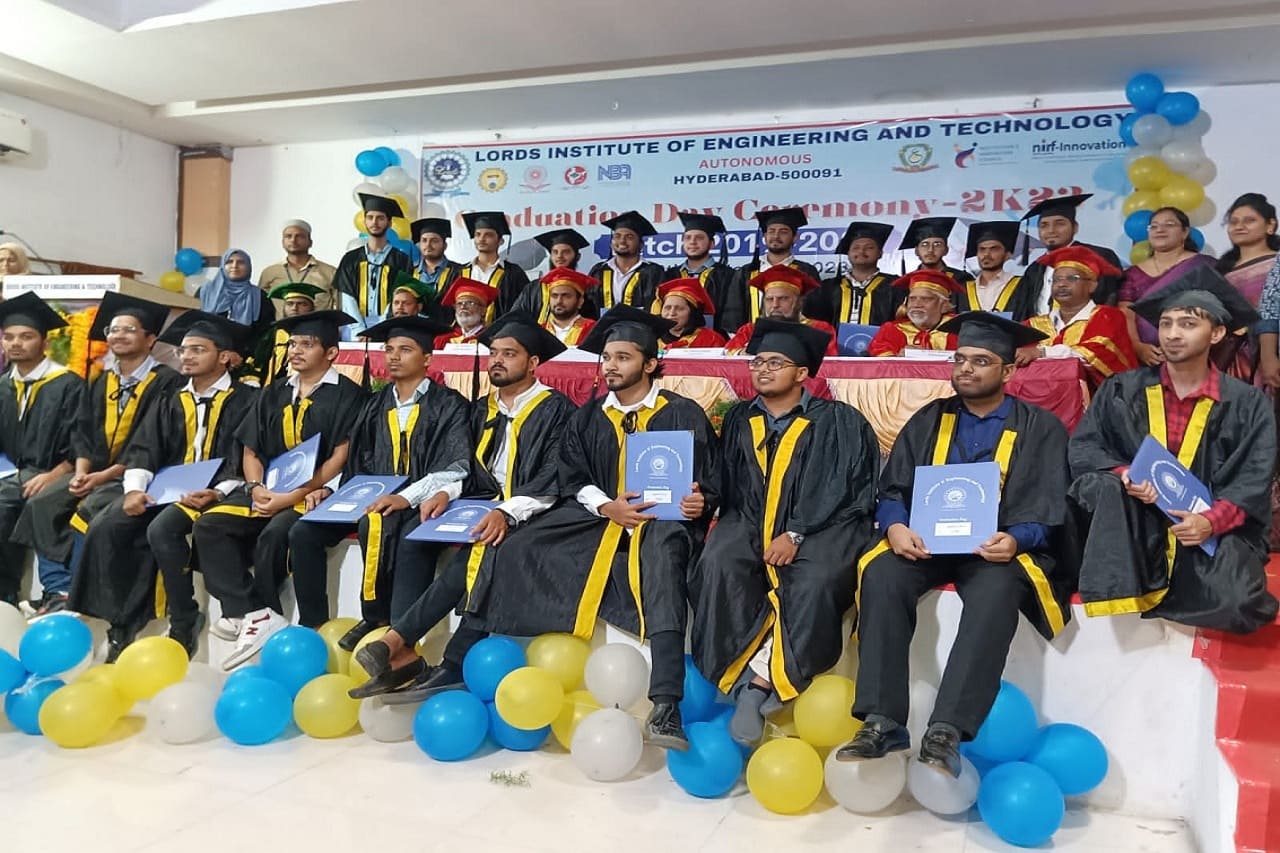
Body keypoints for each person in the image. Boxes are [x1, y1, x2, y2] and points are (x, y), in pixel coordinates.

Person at [459, 306, 719, 750]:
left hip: (663, 521)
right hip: (600, 518)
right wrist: (607, 507)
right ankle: (472, 649)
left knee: (663, 556)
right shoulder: (589, 415)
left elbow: (709, 482)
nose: (611, 366)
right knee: (520, 543)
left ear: (650, 364)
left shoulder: (683, 413)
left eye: (623, 358)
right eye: (607, 358)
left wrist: (701, 501)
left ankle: (666, 703)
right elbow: (573, 476)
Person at [837, 312, 1071, 777]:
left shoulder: (1039, 427)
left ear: (1008, 370)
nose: (965, 368)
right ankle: (883, 720)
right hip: (926, 544)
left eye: (980, 361)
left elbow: (1049, 506)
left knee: (997, 593)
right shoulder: (929, 419)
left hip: (992, 550)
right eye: (960, 359)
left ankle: (947, 729)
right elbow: (894, 488)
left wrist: (1017, 539)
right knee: (882, 575)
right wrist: (895, 526)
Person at [348, 313, 577, 699]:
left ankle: (438, 656)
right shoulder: (482, 408)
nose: (497, 360)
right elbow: (465, 466)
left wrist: (506, 512)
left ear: (533, 362)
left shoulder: (556, 410)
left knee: (485, 549)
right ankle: (405, 655)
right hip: (483, 502)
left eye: (509, 354)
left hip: (535, 509)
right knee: (415, 535)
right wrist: (446, 492)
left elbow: (553, 478)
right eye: (494, 353)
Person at [691, 320, 878, 745]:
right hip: (750, 518)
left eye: (775, 363)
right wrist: (702, 497)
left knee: (815, 580)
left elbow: (845, 487)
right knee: (718, 562)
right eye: (758, 362)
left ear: (802, 373)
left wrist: (795, 533)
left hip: (824, 524)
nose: (763, 369)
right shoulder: (740, 417)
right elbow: (724, 478)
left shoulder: (839, 421)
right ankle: (736, 671)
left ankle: (760, 684)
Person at [1067, 266, 1279, 633]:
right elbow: (1086, 445)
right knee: (1100, 485)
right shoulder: (1122, 389)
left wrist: (1210, 521)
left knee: (1238, 600)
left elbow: (1253, 476)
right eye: (1165, 324)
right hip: (1133, 518)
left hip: (1208, 522)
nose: (1173, 334)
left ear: (1217, 333)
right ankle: (1125, 586)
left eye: (1188, 324)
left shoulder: (1246, 402)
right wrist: (1124, 474)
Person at [68, 312, 257, 660]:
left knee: (161, 529)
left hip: (221, 491)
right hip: (169, 488)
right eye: (183, 350)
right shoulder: (170, 397)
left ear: (223, 356)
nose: (187, 356)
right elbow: (144, 448)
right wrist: (134, 489)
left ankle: (183, 617)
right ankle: (120, 621)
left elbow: (246, 456)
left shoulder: (247, 399)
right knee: (109, 524)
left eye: (198, 350)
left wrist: (219, 491)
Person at [192, 310, 366, 670]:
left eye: (307, 344)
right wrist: (256, 487)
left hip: (312, 493)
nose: (295, 351)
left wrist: (292, 496)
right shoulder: (275, 391)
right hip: (266, 487)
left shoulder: (349, 395)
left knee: (275, 534)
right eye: (292, 344)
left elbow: (341, 455)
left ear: (331, 353)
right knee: (209, 525)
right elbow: (250, 449)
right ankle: (250, 609)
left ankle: (268, 616)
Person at [288, 315, 471, 650]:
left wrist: (405, 497)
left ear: (427, 359)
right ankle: (312, 623)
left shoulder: (449, 405)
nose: (394, 357)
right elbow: (358, 460)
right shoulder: (374, 404)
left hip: (422, 500)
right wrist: (331, 490)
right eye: (389, 349)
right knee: (304, 531)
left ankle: (385, 623)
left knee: (386, 526)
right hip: (374, 497)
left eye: (405, 349)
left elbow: (455, 467)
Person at [14, 292, 181, 617]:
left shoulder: (167, 382)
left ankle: (77, 595)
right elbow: (83, 431)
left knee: (88, 508)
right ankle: (57, 589)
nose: (119, 335)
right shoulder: (103, 379)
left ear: (150, 339)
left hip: (141, 474)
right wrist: (81, 472)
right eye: (113, 330)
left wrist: (103, 476)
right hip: (94, 471)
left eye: (129, 329)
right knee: (42, 503)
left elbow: (151, 442)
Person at [0, 293, 83, 606]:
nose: (15, 343)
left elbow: (82, 441)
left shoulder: (68, 383)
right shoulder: (3, 385)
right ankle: (5, 594)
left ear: (45, 343)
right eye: (9, 337)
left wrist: (53, 474)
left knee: (38, 501)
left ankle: (57, 590)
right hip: (11, 471)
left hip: (57, 470)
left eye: (26, 336)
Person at [1016, 245, 1137, 387]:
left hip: (1096, 397)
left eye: (1072, 278)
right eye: (1056, 279)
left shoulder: (1108, 316)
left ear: (1092, 285)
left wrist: (1042, 352)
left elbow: (1097, 352)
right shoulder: (1032, 326)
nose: (1061, 284)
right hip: (1037, 398)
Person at [1119, 206, 1214, 367]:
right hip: (1148, 357)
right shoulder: (1132, 274)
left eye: (1169, 225)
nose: (1160, 230)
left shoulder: (1204, 265)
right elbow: (1126, 314)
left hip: (1195, 354)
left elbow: (1217, 310)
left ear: (1185, 232)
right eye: (1154, 226)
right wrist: (1138, 347)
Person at [1019, 194, 1125, 312]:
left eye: (1060, 223)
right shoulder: (1035, 269)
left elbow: (1110, 299)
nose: (1051, 230)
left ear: (1075, 227)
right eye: (1044, 225)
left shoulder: (1098, 256)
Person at [1215, 194, 1279, 382]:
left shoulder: (1276, 263)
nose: (1239, 226)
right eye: (1233, 222)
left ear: (1270, 225)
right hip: (1234, 357)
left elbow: (1271, 310)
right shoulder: (1220, 272)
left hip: (1272, 350)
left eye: (1249, 220)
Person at [333, 194, 414, 333]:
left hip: (389, 327)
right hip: (353, 329)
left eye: (380, 218)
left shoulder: (401, 260)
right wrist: (358, 328)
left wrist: (381, 327)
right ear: (365, 221)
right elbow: (347, 297)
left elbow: (399, 296)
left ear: (389, 223)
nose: (374, 222)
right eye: (370, 217)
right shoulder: (350, 259)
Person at [731, 208, 822, 325]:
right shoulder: (746, 272)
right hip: (752, 335)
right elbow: (733, 312)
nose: (776, 236)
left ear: (795, 237)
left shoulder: (806, 271)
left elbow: (815, 312)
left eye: (783, 232)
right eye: (771, 231)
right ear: (765, 236)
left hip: (796, 334)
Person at [724, 266, 839, 356]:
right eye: (769, 299)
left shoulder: (820, 329)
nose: (775, 305)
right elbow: (727, 354)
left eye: (783, 299)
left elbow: (829, 367)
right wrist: (743, 353)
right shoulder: (750, 330)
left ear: (800, 302)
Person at [804, 221, 900, 326]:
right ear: (848, 253)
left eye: (869, 248)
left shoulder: (895, 286)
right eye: (856, 248)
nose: (861, 251)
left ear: (880, 253)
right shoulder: (827, 288)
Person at [665, 213, 740, 336]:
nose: (692, 242)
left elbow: (732, 314)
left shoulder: (728, 276)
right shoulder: (670, 275)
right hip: (673, 341)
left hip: (716, 341)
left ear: (712, 243)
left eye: (699, 238)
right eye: (688, 238)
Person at [585, 211, 666, 314]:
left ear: (641, 244)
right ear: (611, 242)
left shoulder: (653, 272)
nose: (622, 241)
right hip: (601, 324)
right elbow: (588, 305)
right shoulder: (598, 270)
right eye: (617, 236)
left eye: (629, 237)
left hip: (641, 324)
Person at [867, 270, 961, 356]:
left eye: (925, 299)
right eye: (912, 299)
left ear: (944, 306)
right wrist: (898, 359)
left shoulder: (959, 329)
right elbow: (880, 363)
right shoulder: (892, 330)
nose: (916, 305)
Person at [957, 220, 1037, 319]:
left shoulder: (1022, 286)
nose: (986, 254)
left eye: (994, 249)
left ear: (1007, 255)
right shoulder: (962, 289)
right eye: (982, 249)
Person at [459, 211, 530, 318]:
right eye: (478, 234)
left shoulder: (513, 273)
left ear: (500, 241)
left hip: (502, 327)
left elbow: (524, 307)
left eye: (488, 235)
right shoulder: (459, 272)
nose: (481, 239)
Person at [250, 282, 323, 385]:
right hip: (274, 387)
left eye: (302, 304)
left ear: (312, 307)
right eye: (290, 304)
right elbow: (258, 361)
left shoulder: (321, 333)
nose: (294, 308)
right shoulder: (273, 333)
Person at [517, 230, 597, 325]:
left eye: (566, 252)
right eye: (555, 252)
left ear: (578, 257)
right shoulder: (533, 288)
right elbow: (517, 318)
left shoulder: (584, 289)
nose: (559, 256)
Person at [257, 220, 337, 311]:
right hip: (280, 321)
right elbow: (261, 306)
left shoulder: (330, 272)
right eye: (288, 236)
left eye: (299, 236)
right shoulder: (269, 273)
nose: (293, 240)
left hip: (319, 320)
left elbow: (340, 307)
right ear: (283, 242)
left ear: (310, 242)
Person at [200, 249, 276, 345]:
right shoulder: (207, 291)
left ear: (248, 266)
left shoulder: (259, 296)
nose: (234, 266)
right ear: (222, 266)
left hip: (247, 349)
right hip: (212, 347)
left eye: (241, 262)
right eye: (229, 262)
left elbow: (267, 331)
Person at [898, 217, 974, 292]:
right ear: (916, 251)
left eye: (937, 244)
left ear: (946, 250)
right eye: (925, 244)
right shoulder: (907, 281)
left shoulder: (961, 279)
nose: (930, 250)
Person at [411, 217, 462, 325]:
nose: (428, 245)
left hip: (446, 328)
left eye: (434, 241)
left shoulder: (458, 272)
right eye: (424, 240)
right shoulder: (409, 271)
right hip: (414, 328)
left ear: (445, 245)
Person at [658, 278, 726, 349]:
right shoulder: (653, 338)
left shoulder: (712, 339)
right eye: (667, 308)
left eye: (680, 308)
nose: (672, 313)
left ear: (692, 313)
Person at [535, 267, 596, 344]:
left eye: (566, 296)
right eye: (554, 296)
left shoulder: (593, 330)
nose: (559, 301)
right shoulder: (538, 331)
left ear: (580, 301)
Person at [433, 278, 498, 349]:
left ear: (483, 310)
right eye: (459, 303)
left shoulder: (493, 339)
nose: (463, 307)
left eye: (470, 303)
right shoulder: (443, 341)